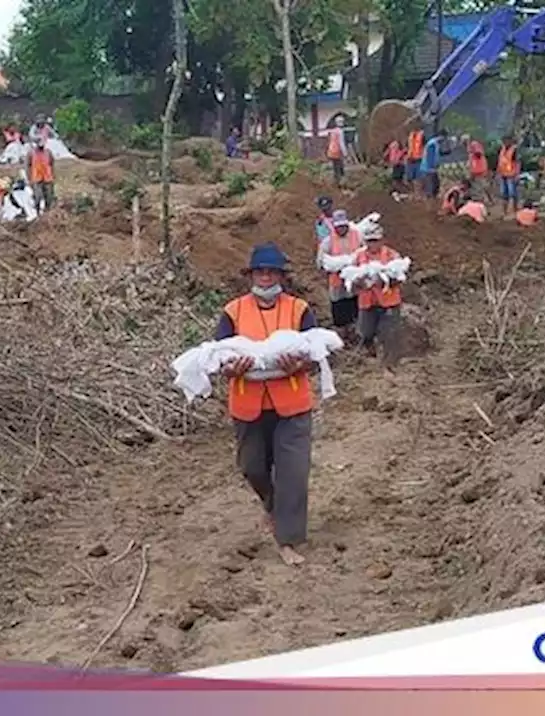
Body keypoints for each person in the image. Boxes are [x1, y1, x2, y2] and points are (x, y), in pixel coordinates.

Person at [214, 242, 318, 566]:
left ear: (282, 277)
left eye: (272, 272)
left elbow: (317, 356)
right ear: (251, 275)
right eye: (260, 272)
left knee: (293, 472)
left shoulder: (299, 310)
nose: (265, 278)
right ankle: (273, 507)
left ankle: (288, 540)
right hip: (248, 404)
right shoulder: (233, 312)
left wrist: (300, 365)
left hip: (292, 403)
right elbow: (217, 357)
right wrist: (229, 369)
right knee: (253, 467)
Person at [351, 227, 404, 371]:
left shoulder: (392, 256)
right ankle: (371, 362)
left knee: (388, 335)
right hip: (367, 303)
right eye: (369, 241)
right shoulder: (358, 257)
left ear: (382, 240)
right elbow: (350, 278)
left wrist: (385, 282)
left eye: (375, 241)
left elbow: (401, 278)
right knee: (365, 333)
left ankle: (389, 365)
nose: (372, 244)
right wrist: (360, 282)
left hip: (388, 303)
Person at [315, 209, 363, 340]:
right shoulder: (328, 241)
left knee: (356, 305)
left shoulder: (357, 236)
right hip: (337, 282)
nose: (341, 229)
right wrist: (331, 266)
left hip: (356, 282)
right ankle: (342, 334)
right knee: (339, 307)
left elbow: (365, 252)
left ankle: (356, 333)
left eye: (343, 226)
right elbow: (320, 261)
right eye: (338, 227)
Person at [27, 136, 56, 214]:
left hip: (47, 177)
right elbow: (28, 166)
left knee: (49, 197)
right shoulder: (31, 153)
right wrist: (29, 178)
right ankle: (37, 212)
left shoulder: (48, 152)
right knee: (38, 196)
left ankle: (47, 212)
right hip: (36, 178)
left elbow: (52, 163)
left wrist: (53, 175)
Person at [496, 135, 521, 218]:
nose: (505, 143)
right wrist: (498, 173)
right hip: (503, 174)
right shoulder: (502, 150)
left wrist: (517, 175)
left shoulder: (514, 150)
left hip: (511, 174)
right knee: (504, 193)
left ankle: (515, 210)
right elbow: (499, 162)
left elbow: (517, 163)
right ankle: (505, 211)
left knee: (512, 193)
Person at [418, 127, 443, 199]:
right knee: (431, 188)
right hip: (428, 169)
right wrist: (434, 166)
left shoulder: (434, 143)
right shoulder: (432, 144)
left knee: (435, 186)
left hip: (431, 169)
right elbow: (430, 157)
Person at [326, 116, 349, 184]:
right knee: (340, 167)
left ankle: (336, 180)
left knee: (335, 167)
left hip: (331, 151)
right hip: (337, 152)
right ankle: (340, 181)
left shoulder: (333, 131)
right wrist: (345, 153)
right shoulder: (340, 132)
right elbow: (341, 143)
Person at [405, 126, 426, 194]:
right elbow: (407, 146)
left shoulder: (422, 135)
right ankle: (412, 192)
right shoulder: (410, 135)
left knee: (418, 179)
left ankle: (418, 193)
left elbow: (424, 146)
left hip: (419, 159)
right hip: (410, 159)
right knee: (409, 179)